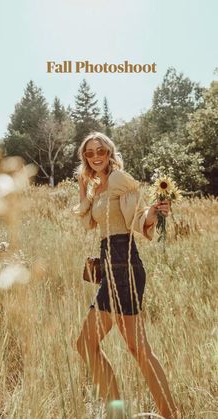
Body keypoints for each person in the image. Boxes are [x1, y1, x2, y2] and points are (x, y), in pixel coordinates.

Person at [72, 132, 178, 419]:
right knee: (132, 347)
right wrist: (83, 186)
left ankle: (162, 414)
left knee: (107, 345)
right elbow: (85, 222)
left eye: (101, 151)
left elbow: (138, 215)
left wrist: (154, 214)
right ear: (85, 157)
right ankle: (123, 413)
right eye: (90, 153)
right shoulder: (97, 187)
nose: (96, 157)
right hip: (110, 266)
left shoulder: (118, 179)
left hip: (125, 265)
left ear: (110, 153)